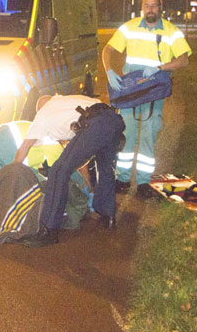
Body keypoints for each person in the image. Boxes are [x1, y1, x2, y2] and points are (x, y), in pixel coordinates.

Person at [102, 0, 192, 199]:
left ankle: (143, 183)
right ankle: (122, 179)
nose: (150, 9)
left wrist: (161, 67)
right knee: (126, 135)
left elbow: (184, 60)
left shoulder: (171, 31)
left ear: (160, 7)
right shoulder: (130, 27)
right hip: (131, 91)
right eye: (147, 6)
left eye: (154, 6)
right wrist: (109, 71)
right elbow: (107, 50)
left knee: (148, 137)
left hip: (154, 91)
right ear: (142, 7)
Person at [13, 94, 125, 247]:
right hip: (114, 120)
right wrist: (88, 184)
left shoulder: (43, 114)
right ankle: (108, 215)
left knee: (58, 171)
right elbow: (80, 156)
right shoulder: (66, 101)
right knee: (105, 168)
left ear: (39, 108)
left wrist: (13, 169)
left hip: (94, 123)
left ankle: (48, 230)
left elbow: (25, 147)